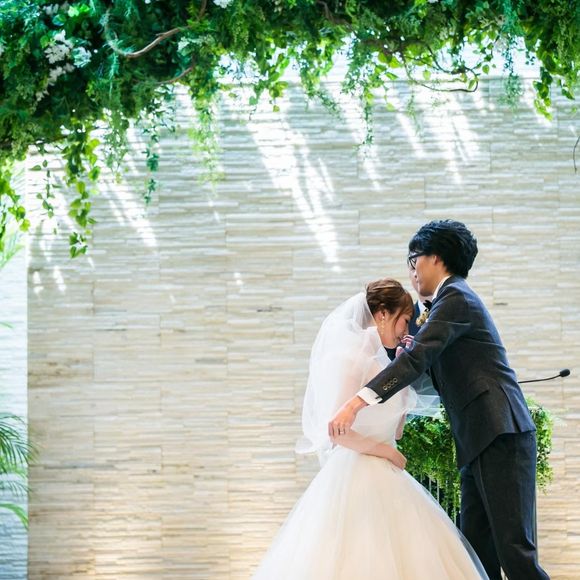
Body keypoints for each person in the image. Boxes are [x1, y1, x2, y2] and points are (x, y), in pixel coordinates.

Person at [329, 220, 549, 580]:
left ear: (435, 258)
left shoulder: (456, 298)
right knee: (476, 553)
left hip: (500, 432)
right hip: (479, 437)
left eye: (413, 259)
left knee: (514, 551)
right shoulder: (446, 303)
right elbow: (428, 373)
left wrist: (356, 403)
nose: (412, 271)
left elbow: (418, 360)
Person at [252, 278, 487, 580]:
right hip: (357, 475)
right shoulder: (352, 360)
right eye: (405, 319)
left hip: (388, 473)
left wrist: (403, 377)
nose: (406, 329)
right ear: (383, 315)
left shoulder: (382, 366)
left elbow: (396, 431)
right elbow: (337, 431)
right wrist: (385, 452)